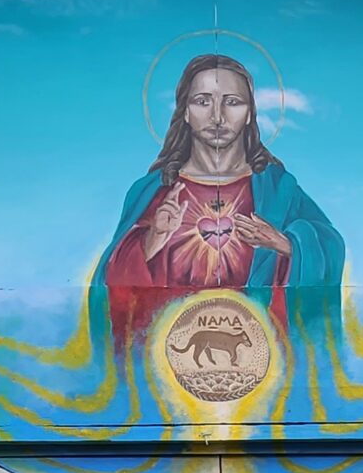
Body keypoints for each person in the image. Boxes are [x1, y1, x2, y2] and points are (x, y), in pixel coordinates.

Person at [92, 53, 344, 348]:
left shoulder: (277, 189)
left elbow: (330, 248)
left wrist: (287, 245)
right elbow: (110, 283)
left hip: (261, 357)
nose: (217, 117)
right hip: (165, 358)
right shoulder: (153, 192)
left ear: (250, 113)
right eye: (202, 101)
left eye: (232, 102)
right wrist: (152, 240)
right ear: (185, 111)